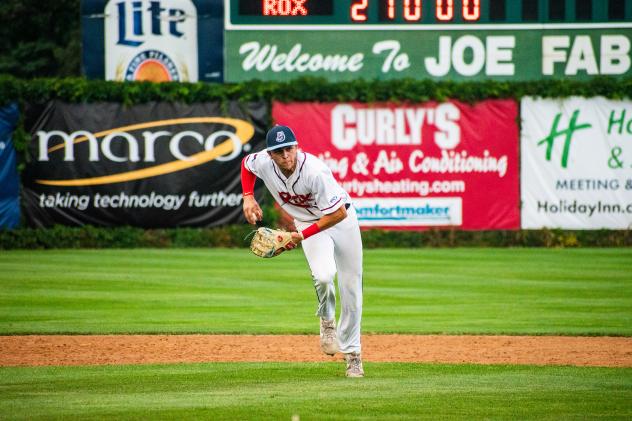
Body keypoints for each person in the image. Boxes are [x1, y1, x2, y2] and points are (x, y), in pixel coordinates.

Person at [241, 125, 364, 378]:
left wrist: (300, 237)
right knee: (323, 276)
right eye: (279, 151)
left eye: (289, 148)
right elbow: (246, 163)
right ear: (270, 154)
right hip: (308, 224)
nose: (285, 155)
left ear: (297, 147)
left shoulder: (315, 171)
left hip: (342, 221)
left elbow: (337, 213)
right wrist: (248, 197)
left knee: (351, 287)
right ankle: (327, 321)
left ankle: (353, 355)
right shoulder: (263, 163)